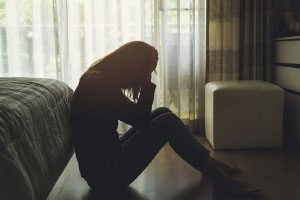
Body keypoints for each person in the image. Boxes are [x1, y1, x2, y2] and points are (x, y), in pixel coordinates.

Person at [70, 41, 260, 197]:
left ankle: (210, 165)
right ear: (132, 66)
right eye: (146, 71)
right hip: (107, 176)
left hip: (102, 168)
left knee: (162, 112)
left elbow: (138, 118)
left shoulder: (97, 79)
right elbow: (140, 119)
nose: (147, 75)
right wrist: (146, 82)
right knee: (167, 122)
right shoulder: (99, 85)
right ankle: (222, 181)